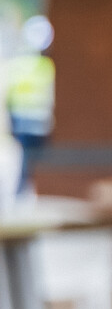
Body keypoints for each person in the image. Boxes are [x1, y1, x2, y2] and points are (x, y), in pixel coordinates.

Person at [6, 13, 54, 192]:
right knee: (29, 160)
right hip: (35, 123)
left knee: (27, 160)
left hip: (24, 122)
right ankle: (23, 189)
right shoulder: (46, 65)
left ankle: (23, 189)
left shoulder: (20, 63)